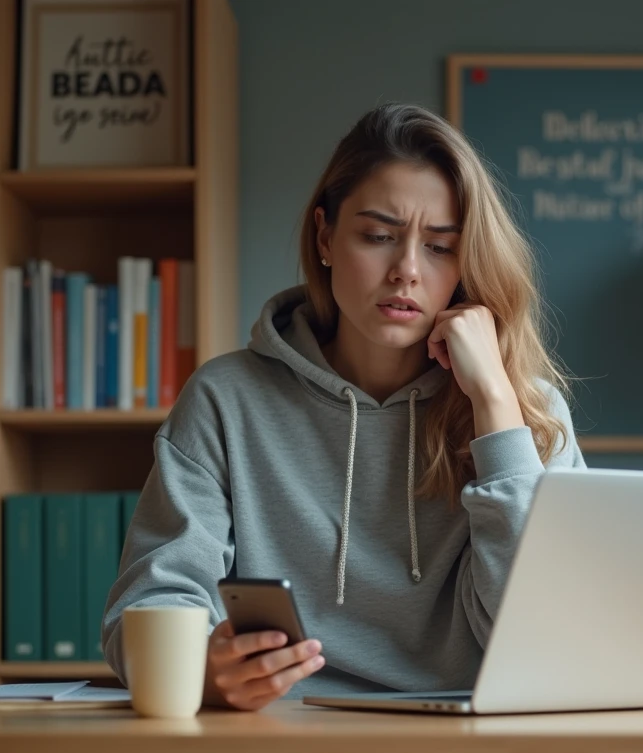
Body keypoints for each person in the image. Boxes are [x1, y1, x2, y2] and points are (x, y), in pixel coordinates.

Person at [102, 102, 586, 712]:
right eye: (379, 237)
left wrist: (494, 403)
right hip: (280, 743)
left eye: (440, 247)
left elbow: (551, 640)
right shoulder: (226, 400)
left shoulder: (526, 412)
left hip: (471, 746)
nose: (406, 270)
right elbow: (147, 607)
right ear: (326, 236)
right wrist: (201, 669)